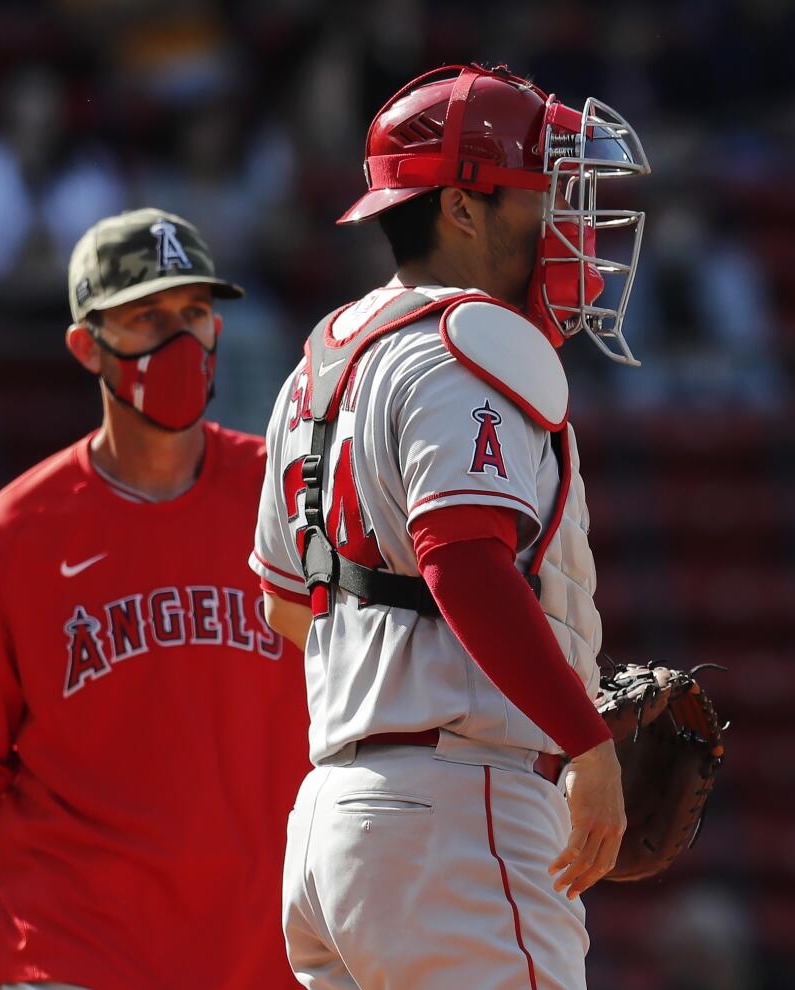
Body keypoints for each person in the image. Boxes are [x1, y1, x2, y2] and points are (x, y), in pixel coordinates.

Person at [251, 64, 649, 988]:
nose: (562, 218)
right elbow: (463, 565)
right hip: (454, 818)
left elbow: (287, 607)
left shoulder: (321, 358)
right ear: (462, 210)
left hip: (331, 827)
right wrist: (583, 737)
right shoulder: (472, 340)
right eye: (537, 192)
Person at [0, 208, 309, 988]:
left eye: (195, 312)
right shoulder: (6, 540)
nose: (181, 339)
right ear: (87, 345)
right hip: (76, 950)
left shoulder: (291, 499)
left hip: (266, 949)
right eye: (147, 316)